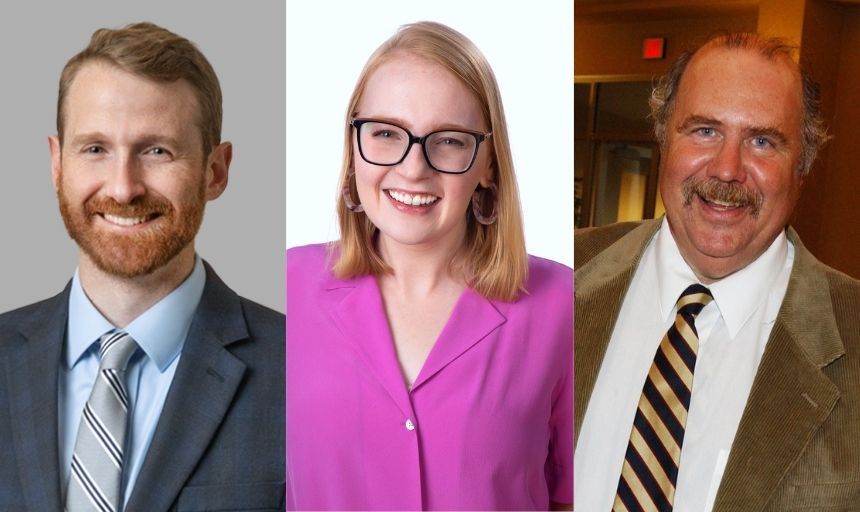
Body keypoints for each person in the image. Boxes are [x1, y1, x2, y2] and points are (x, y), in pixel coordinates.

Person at [287, 21, 572, 510]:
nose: (413, 168)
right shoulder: (282, 289)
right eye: (384, 133)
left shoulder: (563, 302)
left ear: (488, 165)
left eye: (449, 141)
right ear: (354, 149)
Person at [0, 22, 285, 511]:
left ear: (215, 171)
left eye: (157, 151)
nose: (123, 187)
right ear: (57, 164)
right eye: (95, 149)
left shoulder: (298, 369)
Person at [574, 32, 860, 511]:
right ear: (664, 136)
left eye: (763, 141)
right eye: (704, 131)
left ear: (803, 164)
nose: (728, 169)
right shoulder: (547, 280)